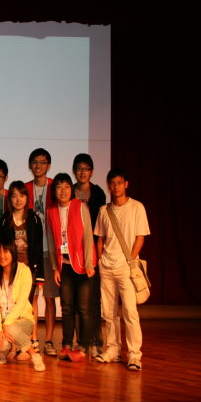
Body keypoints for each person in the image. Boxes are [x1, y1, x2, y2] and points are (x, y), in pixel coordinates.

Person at [94, 168, 150, 371]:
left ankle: (134, 355)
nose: (115, 187)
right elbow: (100, 239)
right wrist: (101, 260)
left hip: (126, 267)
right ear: (108, 185)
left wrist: (130, 260)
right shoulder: (104, 210)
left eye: (119, 182)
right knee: (109, 312)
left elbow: (140, 237)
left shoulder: (137, 207)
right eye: (112, 183)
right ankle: (112, 350)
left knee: (130, 312)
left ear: (126, 184)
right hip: (107, 266)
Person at [46, 173, 96, 362]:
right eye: (59, 187)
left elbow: (88, 236)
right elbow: (51, 240)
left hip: (82, 265)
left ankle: (83, 346)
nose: (63, 190)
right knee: (66, 307)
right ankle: (67, 345)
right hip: (64, 266)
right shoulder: (51, 211)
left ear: (71, 189)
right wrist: (55, 268)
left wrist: (89, 263)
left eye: (66, 186)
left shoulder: (80, 206)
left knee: (83, 308)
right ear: (54, 191)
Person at [0, 180, 44, 351]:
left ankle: (33, 337)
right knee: (12, 303)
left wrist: (39, 274)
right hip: (11, 269)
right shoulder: (4, 220)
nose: (18, 200)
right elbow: (0, 247)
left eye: (22, 195)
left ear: (27, 198)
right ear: (10, 199)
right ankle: (15, 342)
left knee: (30, 304)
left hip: (29, 269)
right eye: (14, 196)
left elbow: (38, 247)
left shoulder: (34, 219)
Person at [0, 237, 46, 371]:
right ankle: (3, 352)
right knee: (1, 344)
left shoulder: (24, 270)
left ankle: (34, 355)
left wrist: (7, 324)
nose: (2, 256)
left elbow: (22, 302)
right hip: (1, 323)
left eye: (6, 251)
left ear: (13, 252)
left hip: (23, 320)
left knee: (11, 328)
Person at [72, 153, 107, 358]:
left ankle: (96, 341)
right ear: (74, 171)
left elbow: (100, 223)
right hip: (72, 253)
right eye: (79, 168)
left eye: (86, 169)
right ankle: (81, 342)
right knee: (77, 301)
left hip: (92, 250)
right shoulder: (69, 191)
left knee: (93, 300)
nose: (82, 172)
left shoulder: (99, 193)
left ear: (92, 172)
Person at [25, 148, 58, 357]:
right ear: (30, 165)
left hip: (51, 251)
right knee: (32, 297)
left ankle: (50, 340)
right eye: (35, 162)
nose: (38, 166)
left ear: (49, 165)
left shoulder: (55, 186)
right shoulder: (25, 188)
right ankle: (33, 337)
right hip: (32, 251)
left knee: (50, 297)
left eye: (43, 162)